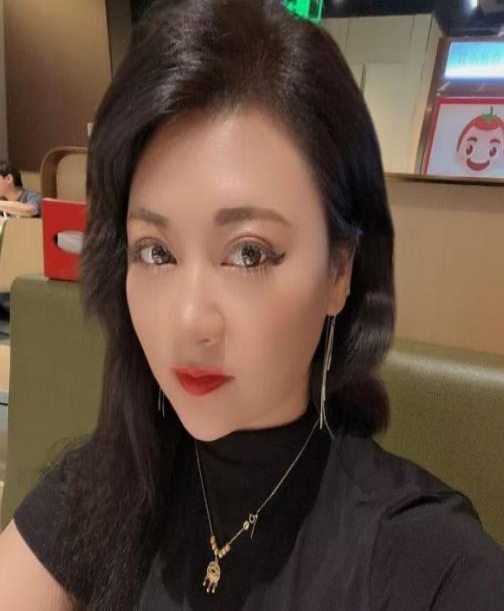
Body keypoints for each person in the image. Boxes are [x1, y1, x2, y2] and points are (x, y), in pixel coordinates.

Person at [1, 1, 504, 609]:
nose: (189, 322)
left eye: (248, 254)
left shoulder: (422, 558)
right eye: (156, 252)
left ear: (339, 271)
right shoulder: (106, 482)